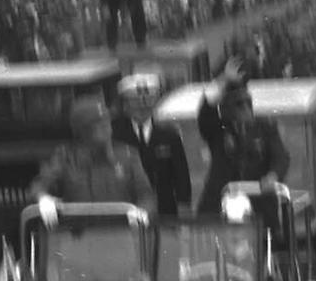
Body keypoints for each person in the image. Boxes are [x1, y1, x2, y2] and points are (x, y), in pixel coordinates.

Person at [32, 96, 155, 215]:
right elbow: (39, 185)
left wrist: (141, 213)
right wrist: (43, 198)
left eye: (107, 121)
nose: (107, 128)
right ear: (82, 131)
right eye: (98, 124)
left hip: (121, 231)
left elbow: (146, 195)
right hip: (80, 232)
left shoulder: (127, 154)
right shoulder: (66, 157)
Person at [195, 61, 290, 214]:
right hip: (221, 205)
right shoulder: (217, 129)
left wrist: (273, 175)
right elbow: (205, 111)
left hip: (259, 205)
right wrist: (223, 80)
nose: (245, 109)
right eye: (239, 105)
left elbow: (281, 157)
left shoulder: (265, 126)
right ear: (226, 108)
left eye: (247, 103)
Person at [113, 70, 192, 218]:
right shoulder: (116, 135)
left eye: (148, 100)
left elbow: (181, 176)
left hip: (165, 210)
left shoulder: (169, 135)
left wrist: (184, 208)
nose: (142, 107)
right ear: (125, 105)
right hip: (131, 210)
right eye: (136, 102)